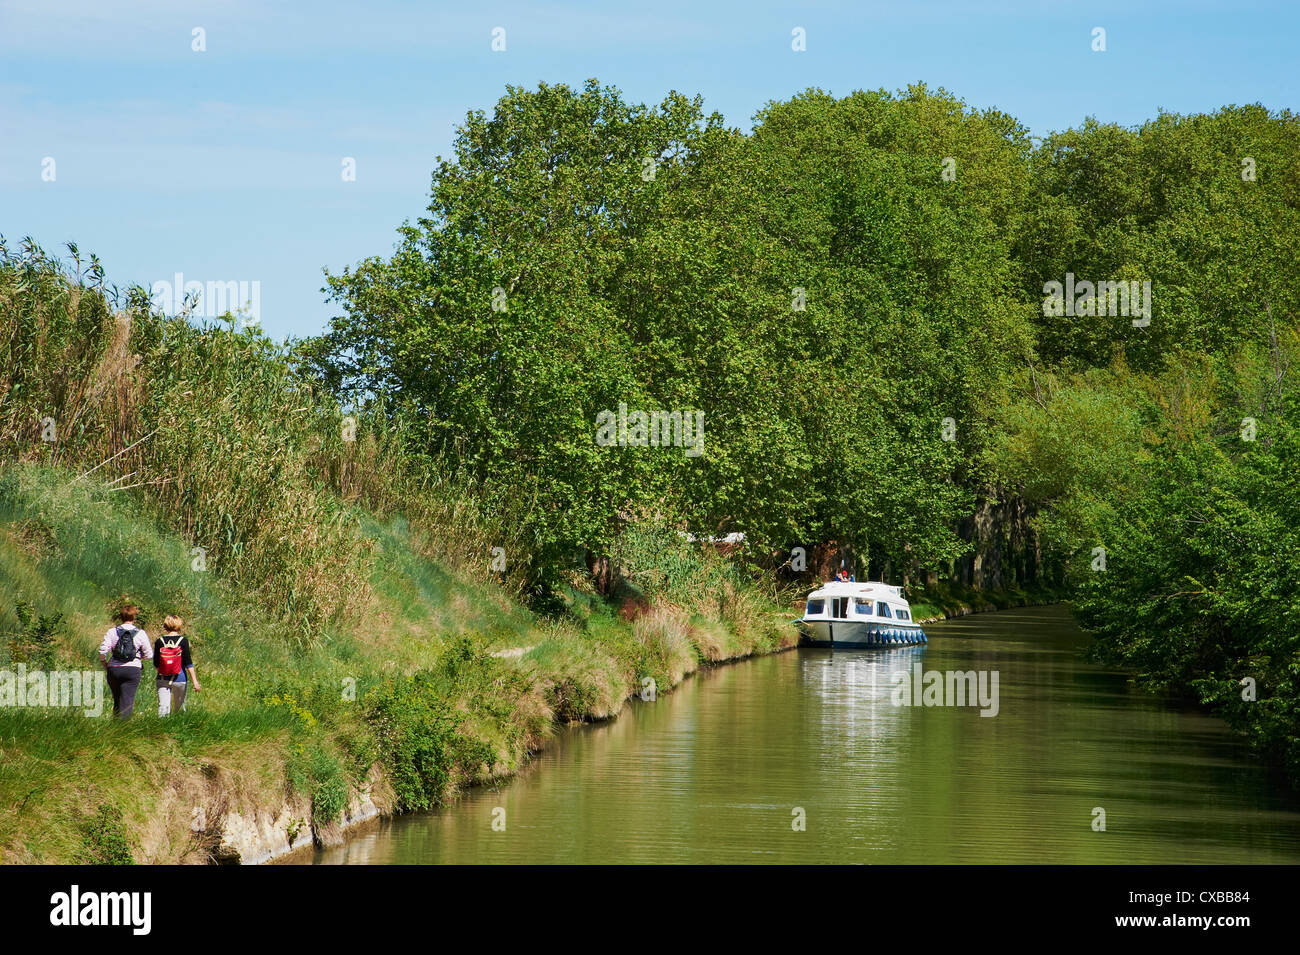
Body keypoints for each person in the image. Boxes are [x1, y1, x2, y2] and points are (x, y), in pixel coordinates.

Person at [98, 605, 152, 719]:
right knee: (127, 701)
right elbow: (149, 655)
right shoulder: (140, 633)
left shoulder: (112, 632)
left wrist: (104, 663)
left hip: (114, 669)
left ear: (120, 617)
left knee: (117, 700)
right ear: (134, 617)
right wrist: (138, 658)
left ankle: (115, 728)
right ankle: (124, 731)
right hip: (132, 669)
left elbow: (103, 650)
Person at [154, 615, 200, 716]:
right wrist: (195, 681)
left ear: (166, 625)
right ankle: (178, 727)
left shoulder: (159, 641)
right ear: (179, 625)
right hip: (180, 678)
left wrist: (165, 670)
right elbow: (188, 663)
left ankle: (161, 729)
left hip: (162, 678)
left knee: (163, 707)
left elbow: (156, 663)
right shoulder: (183, 641)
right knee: (179, 707)